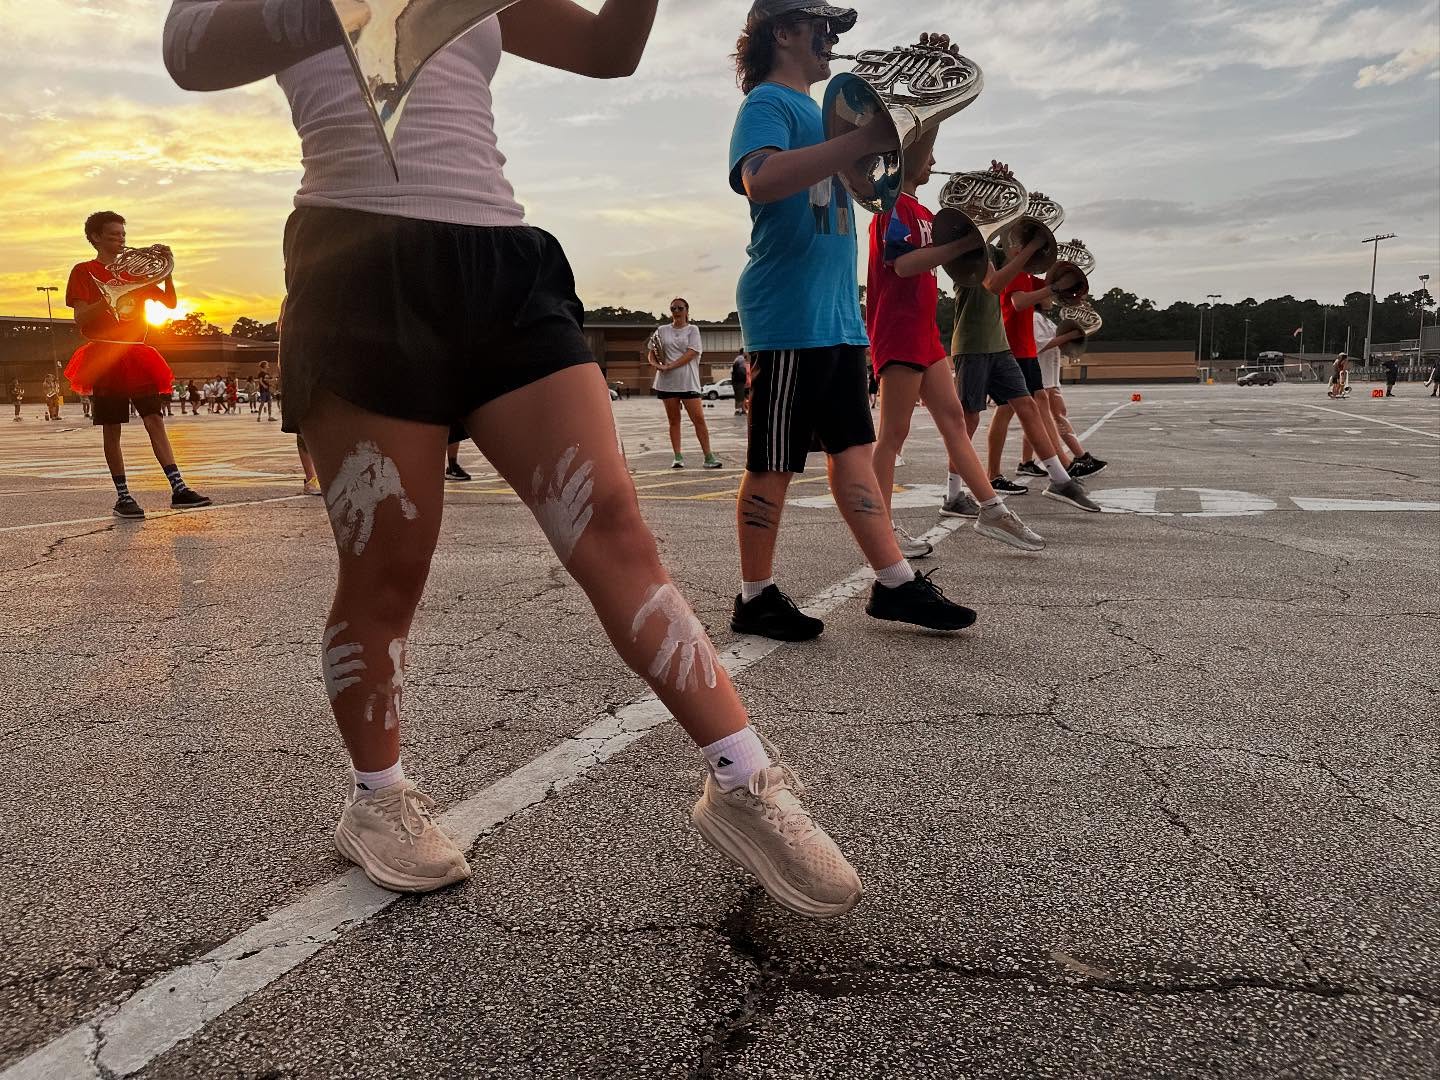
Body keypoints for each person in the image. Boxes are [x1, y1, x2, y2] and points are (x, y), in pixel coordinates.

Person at [165, 0, 865, 918]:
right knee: (386, 572)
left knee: (613, 527)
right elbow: (189, 53)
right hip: (360, 259)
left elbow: (609, 52)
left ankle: (743, 779)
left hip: (502, 259)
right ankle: (377, 800)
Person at [726, 2, 977, 642]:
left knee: (853, 457)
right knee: (774, 461)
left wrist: (925, 110)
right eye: (821, 27)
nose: (833, 39)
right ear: (781, 33)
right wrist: (861, 138)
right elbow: (760, 180)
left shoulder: (826, 113)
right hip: (788, 315)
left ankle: (893, 584)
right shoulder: (768, 105)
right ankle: (754, 597)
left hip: (837, 318)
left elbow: (886, 184)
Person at [866, 126, 1044, 557]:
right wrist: (941, 116)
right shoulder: (891, 209)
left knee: (955, 423)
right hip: (898, 329)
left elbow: (972, 249)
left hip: (925, 332)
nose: (933, 161)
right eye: (927, 154)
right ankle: (880, 528)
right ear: (908, 159)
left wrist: (994, 194)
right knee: (893, 434)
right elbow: (905, 265)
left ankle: (992, 509)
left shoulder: (925, 212)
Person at [944, 165, 1100, 512]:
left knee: (1028, 404)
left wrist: (1029, 221)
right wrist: (1031, 245)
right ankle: (953, 494)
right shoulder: (970, 247)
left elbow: (1018, 260)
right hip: (972, 344)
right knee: (968, 421)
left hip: (998, 346)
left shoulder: (1001, 252)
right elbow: (995, 283)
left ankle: (1061, 480)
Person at [63, 210, 211, 518]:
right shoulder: (83, 271)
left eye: (122, 235)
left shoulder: (134, 271)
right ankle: (123, 496)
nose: (120, 240)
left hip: (137, 353)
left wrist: (167, 273)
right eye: (113, 235)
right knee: (112, 427)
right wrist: (109, 298)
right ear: (95, 238)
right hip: (105, 354)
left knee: (154, 420)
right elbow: (80, 318)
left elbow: (169, 304)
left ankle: (178, 488)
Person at [1023, 309, 1106, 477]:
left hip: (1050, 377)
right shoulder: (1034, 318)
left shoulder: (1046, 320)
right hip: (1042, 377)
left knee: (1037, 422)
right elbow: (1039, 345)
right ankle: (1081, 456)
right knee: (1057, 417)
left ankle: (1026, 463)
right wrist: (1069, 336)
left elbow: (1055, 343)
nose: (1051, 300)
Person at [650, 297, 721, 469]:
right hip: (667, 383)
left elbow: (691, 353)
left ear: (687, 311)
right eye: (673, 308)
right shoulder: (662, 330)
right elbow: (652, 351)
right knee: (674, 421)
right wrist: (656, 365)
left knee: (698, 419)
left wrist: (670, 366)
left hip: (688, 382)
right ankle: (678, 457)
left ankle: (708, 457)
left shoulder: (692, 330)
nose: (676, 312)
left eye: (680, 308)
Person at [731, 350, 749, 415]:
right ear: (744, 352)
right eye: (746, 352)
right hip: (739, 381)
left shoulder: (736, 359)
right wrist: (744, 379)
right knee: (740, 396)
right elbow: (742, 372)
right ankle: (739, 411)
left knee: (737, 396)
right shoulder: (741, 359)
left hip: (735, 381)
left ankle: (738, 410)